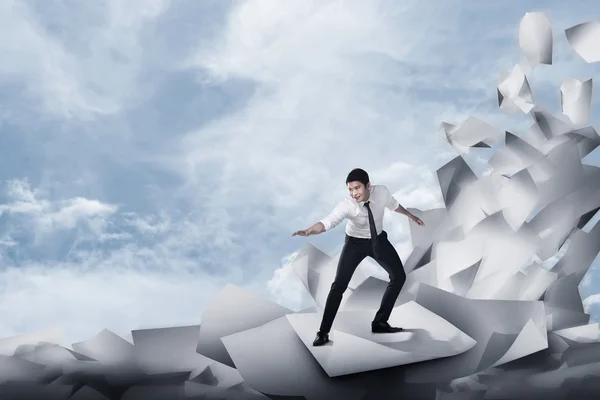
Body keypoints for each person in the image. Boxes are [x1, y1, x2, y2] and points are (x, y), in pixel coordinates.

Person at [292, 168, 424, 346]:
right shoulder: (347, 205)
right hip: (354, 245)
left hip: (378, 240)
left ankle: (380, 322)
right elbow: (327, 222)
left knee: (399, 276)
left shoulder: (382, 192)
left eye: (357, 188)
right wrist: (309, 231)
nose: (354, 193)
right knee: (339, 286)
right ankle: (323, 333)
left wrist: (411, 216)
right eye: (350, 189)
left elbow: (393, 205)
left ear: (368, 185)